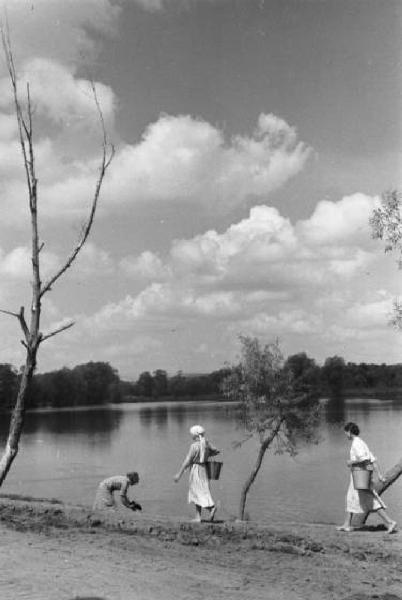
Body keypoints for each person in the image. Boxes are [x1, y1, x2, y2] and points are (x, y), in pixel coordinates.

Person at [337, 422, 397, 533]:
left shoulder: (356, 443)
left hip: (359, 474)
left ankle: (389, 522)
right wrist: (375, 474)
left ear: (349, 432)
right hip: (361, 474)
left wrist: (351, 462)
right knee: (351, 498)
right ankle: (346, 524)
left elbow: (364, 459)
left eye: (346, 432)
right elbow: (372, 460)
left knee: (369, 500)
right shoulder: (361, 442)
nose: (345, 435)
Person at [174, 424, 220, 522]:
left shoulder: (194, 446)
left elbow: (187, 461)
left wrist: (179, 474)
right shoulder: (206, 443)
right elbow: (217, 451)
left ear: (195, 435)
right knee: (203, 491)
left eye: (192, 434)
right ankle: (200, 515)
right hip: (204, 469)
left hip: (196, 470)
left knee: (196, 492)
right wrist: (207, 455)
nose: (191, 436)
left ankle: (209, 510)